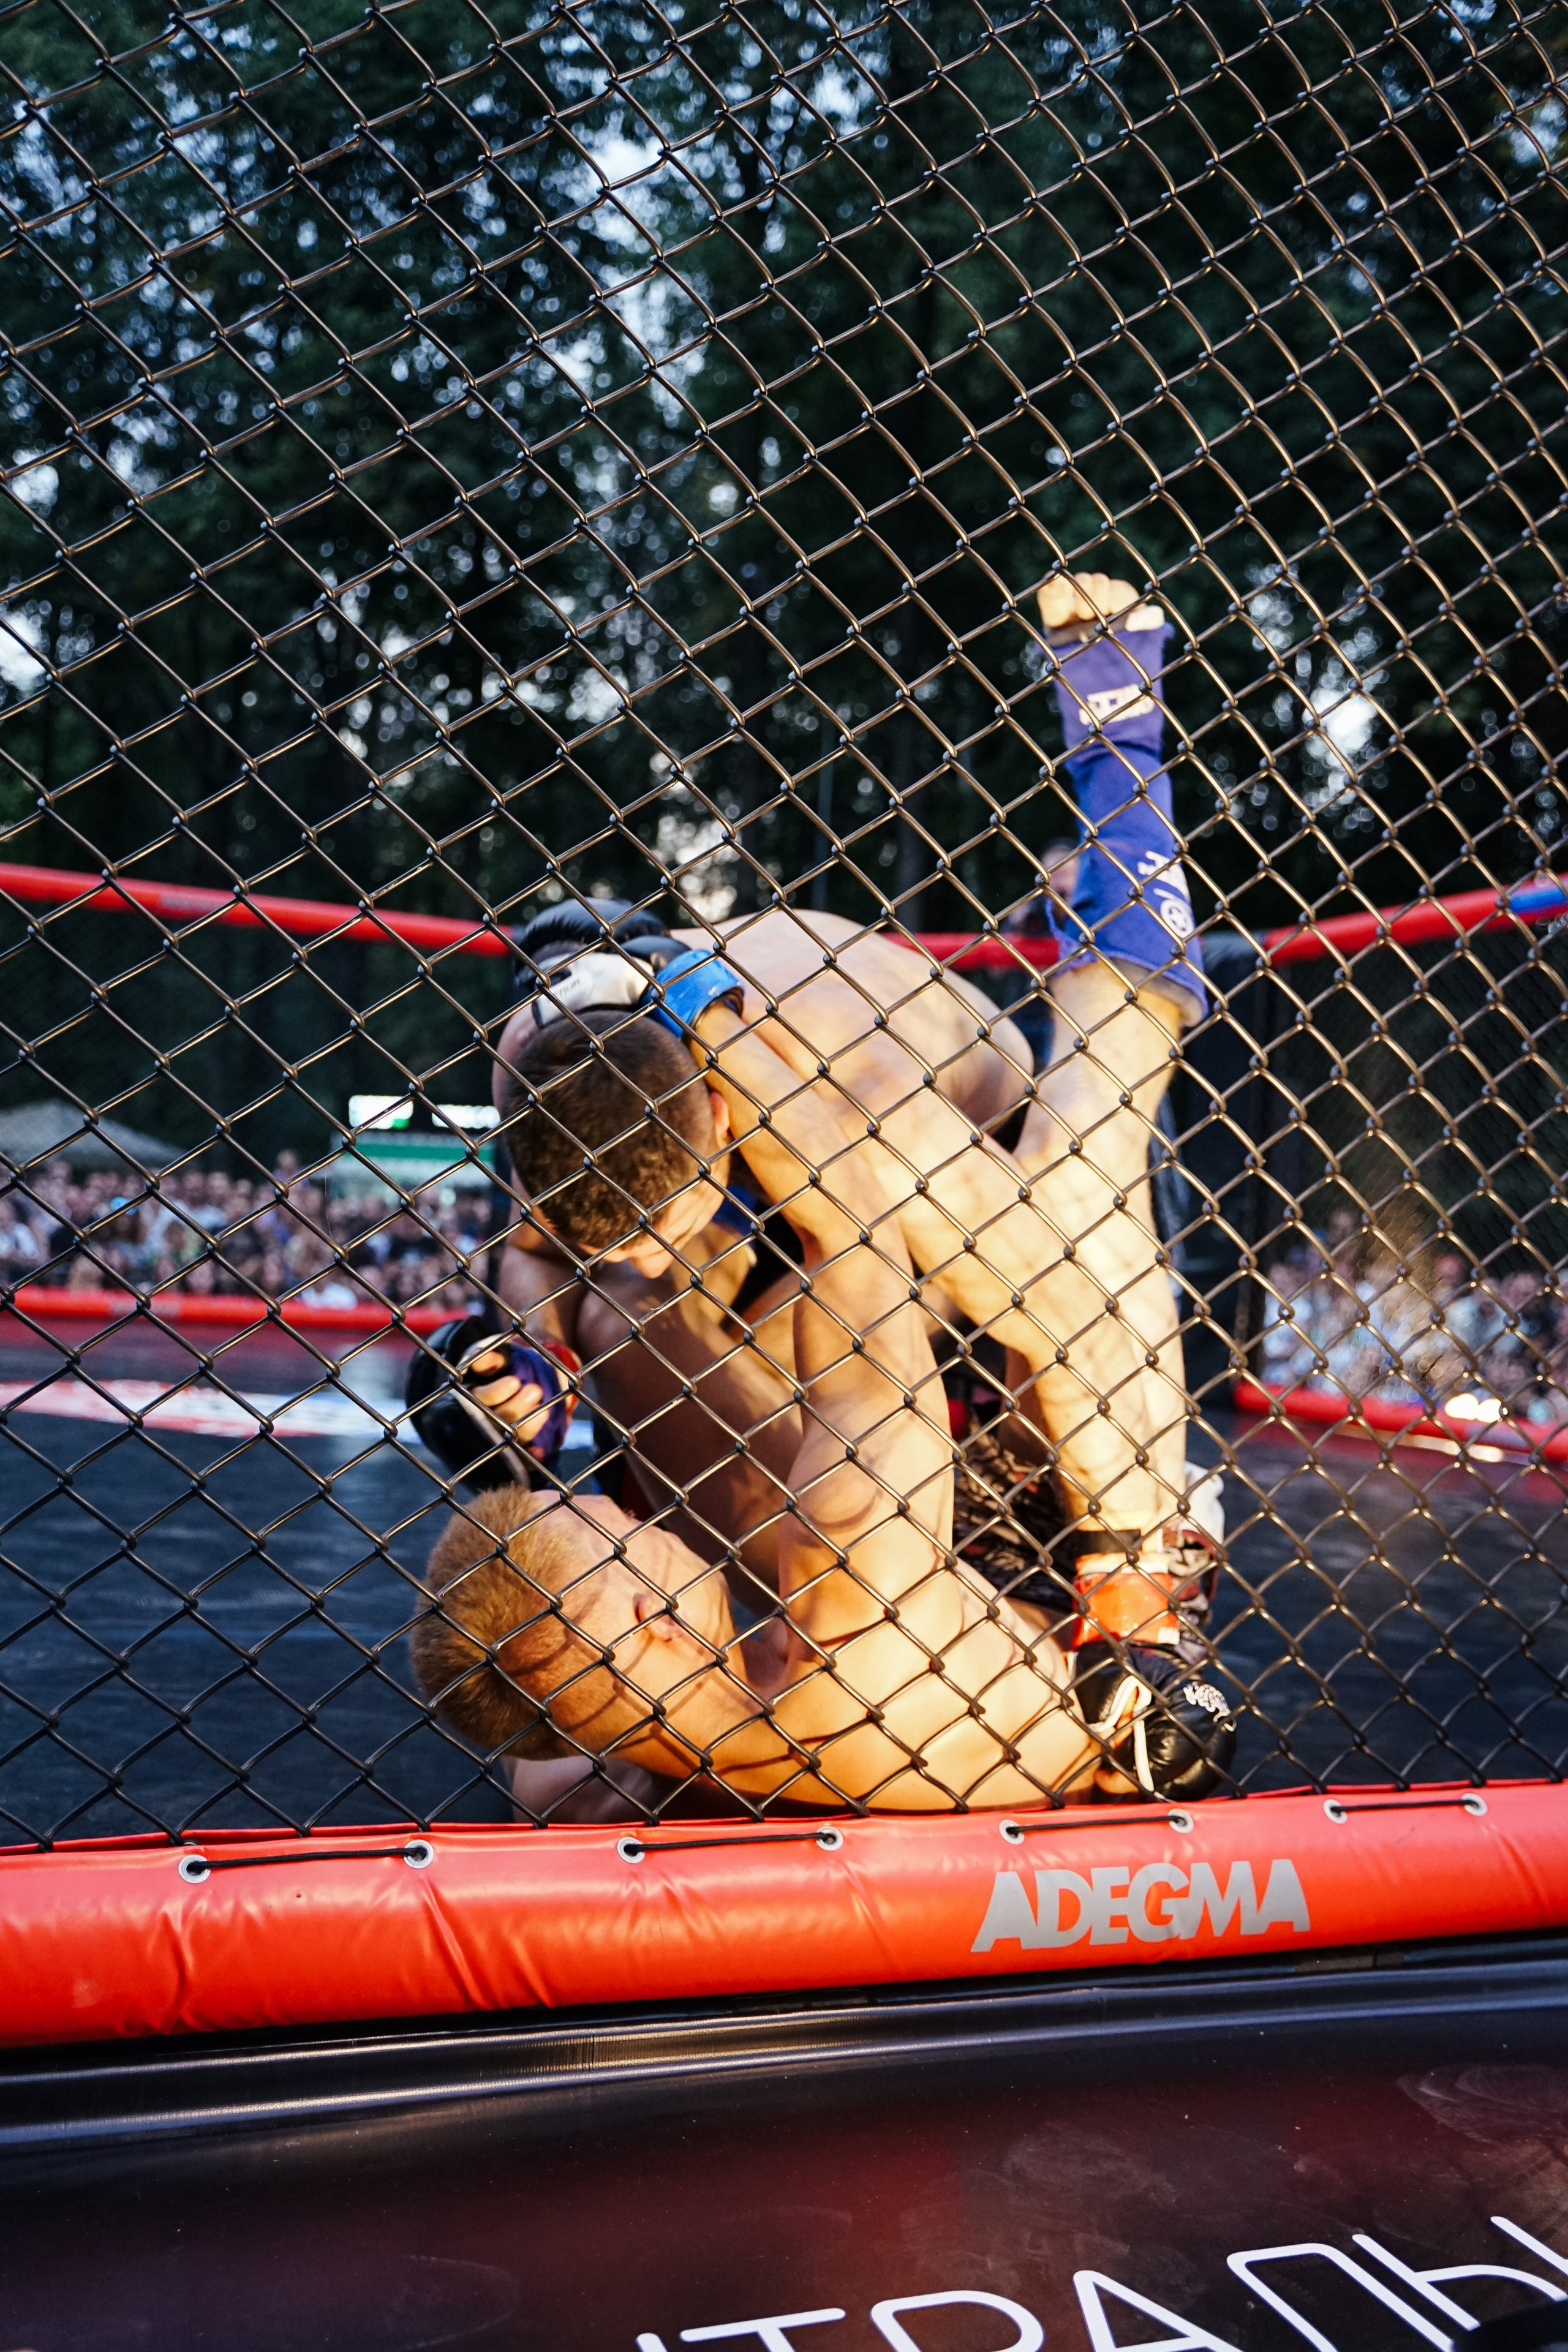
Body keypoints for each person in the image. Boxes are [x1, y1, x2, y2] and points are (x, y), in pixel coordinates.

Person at [409, 569, 1226, 1781]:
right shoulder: (563, 1084)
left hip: (967, 1159)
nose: (625, 1253)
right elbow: (541, 1240)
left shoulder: (852, 1107)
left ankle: (1116, 723)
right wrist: (534, 1354)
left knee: (1085, 1165)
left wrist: (1127, 1592)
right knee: (624, 1307)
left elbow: (1052, 1306)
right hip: (818, 1300)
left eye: (647, 1223)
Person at [412, 998, 1235, 1813]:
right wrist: (704, 1012)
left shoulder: (575, 1782)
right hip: (1074, 1574)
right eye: (622, 1523)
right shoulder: (853, 1570)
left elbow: (527, 1680)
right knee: (1052, 1206)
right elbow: (849, 1224)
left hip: (933, 1597)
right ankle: (1133, 957)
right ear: (649, 1615)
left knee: (619, 1311)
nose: (635, 1510)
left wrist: (538, 1359)